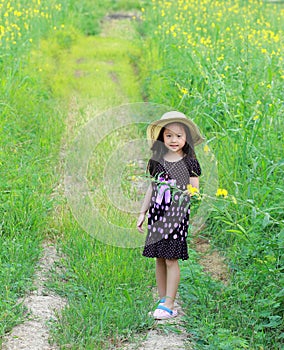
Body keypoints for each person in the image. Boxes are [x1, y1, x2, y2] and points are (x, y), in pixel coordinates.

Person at [137, 110, 204, 320]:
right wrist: (142, 212)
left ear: (186, 138)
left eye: (178, 136)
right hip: (157, 215)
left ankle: (170, 303)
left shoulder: (189, 163)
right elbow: (152, 188)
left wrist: (184, 194)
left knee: (171, 259)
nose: (173, 140)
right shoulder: (157, 161)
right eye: (168, 136)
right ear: (162, 138)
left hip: (176, 216)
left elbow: (195, 191)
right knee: (159, 257)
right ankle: (162, 299)